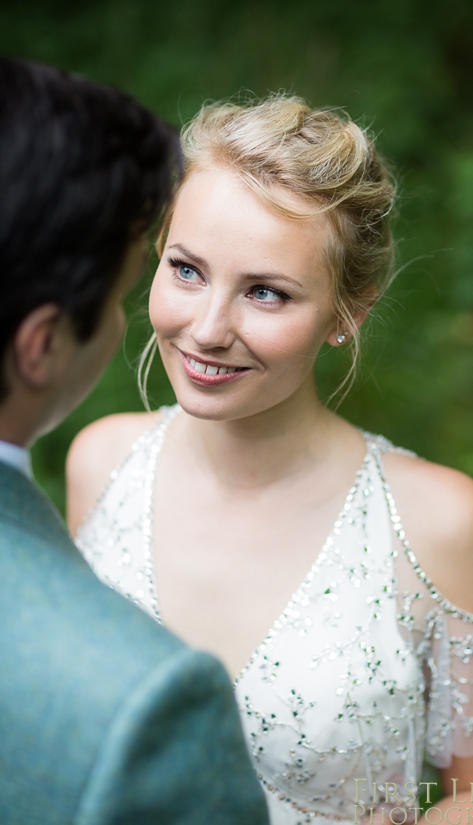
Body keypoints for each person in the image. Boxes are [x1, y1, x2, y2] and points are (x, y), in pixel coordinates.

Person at [67, 96, 473, 825]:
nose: (208, 328)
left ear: (349, 313)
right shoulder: (99, 466)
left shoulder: (438, 522)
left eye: (265, 292)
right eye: (187, 269)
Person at [0, 57, 269, 825]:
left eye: (262, 290)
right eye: (140, 284)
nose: (209, 330)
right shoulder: (140, 707)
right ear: (41, 345)